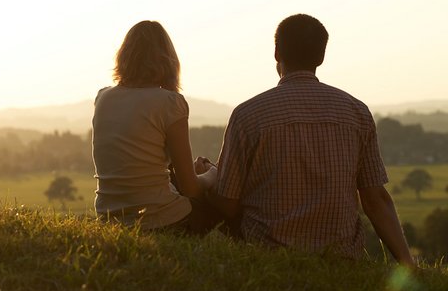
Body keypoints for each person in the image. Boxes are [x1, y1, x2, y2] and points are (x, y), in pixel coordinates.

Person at [211, 14, 415, 266]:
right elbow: (375, 199)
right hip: (341, 259)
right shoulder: (357, 112)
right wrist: (407, 261)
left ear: (277, 53)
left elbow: (227, 206)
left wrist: (211, 177)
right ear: (321, 57)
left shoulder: (248, 114)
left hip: (266, 254)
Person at [92, 20, 218, 232]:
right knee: (221, 204)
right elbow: (191, 188)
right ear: (168, 60)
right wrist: (213, 174)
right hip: (160, 219)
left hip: (109, 218)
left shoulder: (103, 97)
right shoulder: (170, 102)